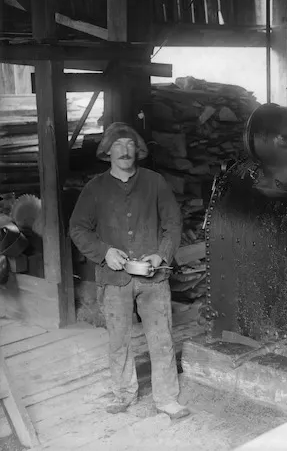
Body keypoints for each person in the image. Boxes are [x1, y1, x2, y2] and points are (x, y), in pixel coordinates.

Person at [69, 122, 189, 419]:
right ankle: (124, 394)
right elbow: (78, 228)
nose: (124, 150)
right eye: (118, 145)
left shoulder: (154, 182)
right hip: (113, 279)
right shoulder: (95, 188)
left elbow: (173, 224)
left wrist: (161, 255)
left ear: (138, 151)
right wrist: (104, 253)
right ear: (107, 152)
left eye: (130, 145)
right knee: (118, 341)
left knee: (161, 338)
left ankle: (166, 399)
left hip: (153, 277)